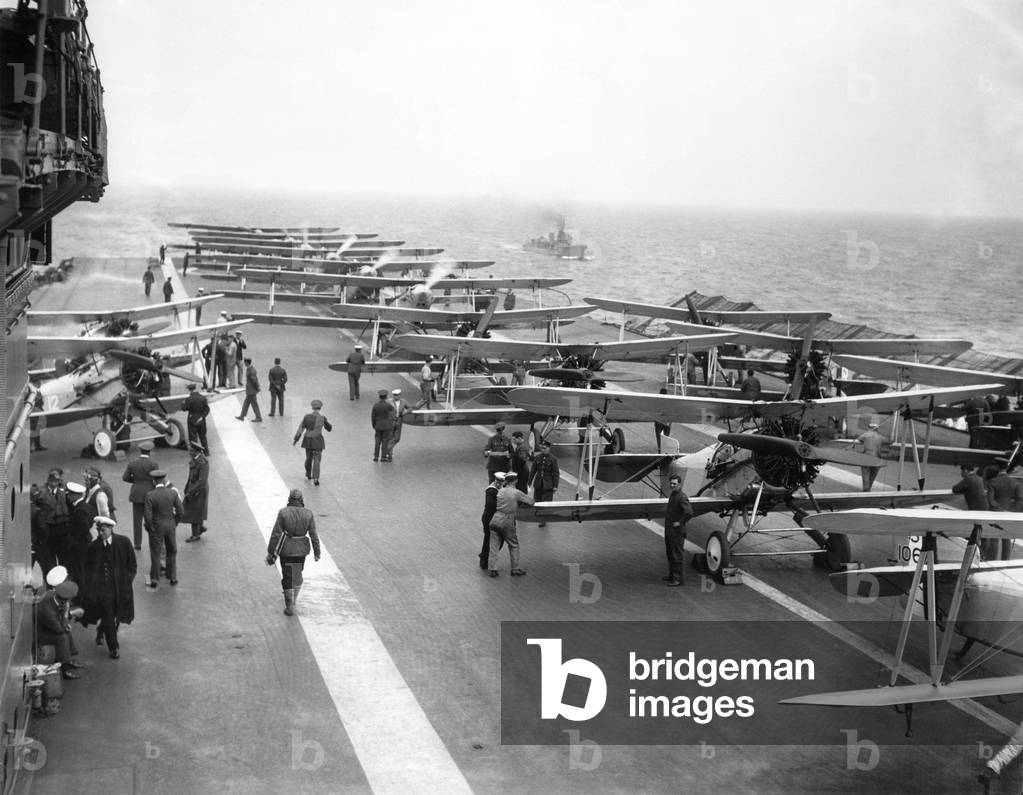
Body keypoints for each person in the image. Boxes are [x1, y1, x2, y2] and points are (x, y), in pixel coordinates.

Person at [80, 516, 136, 659]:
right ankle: (114, 647)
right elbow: (87, 568)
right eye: (98, 530)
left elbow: (132, 565)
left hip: (120, 588)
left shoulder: (123, 542)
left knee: (116, 615)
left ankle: (101, 630)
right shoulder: (93, 546)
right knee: (108, 615)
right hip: (102, 591)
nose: (100, 533)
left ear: (111, 528)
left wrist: (127, 580)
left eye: (103, 530)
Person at [266, 489, 321, 616]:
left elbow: (276, 534)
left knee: (287, 576)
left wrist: (270, 551)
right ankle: (293, 600)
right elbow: (313, 535)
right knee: (297, 574)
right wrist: (317, 552)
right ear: (301, 500)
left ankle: (289, 604)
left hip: (285, 549)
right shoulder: (308, 514)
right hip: (301, 550)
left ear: (289, 499)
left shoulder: (283, 512)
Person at [35, 580, 86, 679]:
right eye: (70, 600)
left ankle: (67, 659)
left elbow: (59, 619)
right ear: (66, 600)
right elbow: (59, 630)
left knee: (66, 630)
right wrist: (68, 613)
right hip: (41, 634)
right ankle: (64, 668)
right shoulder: (47, 611)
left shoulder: (54, 598)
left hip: (49, 626)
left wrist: (66, 620)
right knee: (62, 637)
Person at [487, 473, 534, 577]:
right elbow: (531, 501)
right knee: (513, 545)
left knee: (494, 546)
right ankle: (515, 569)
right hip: (507, 520)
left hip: (495, 519)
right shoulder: (516, 492)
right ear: (515, 481)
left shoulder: (500, 491)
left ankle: (493, 569)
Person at [143, 470, 183, 589]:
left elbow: (148, 515)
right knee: (172, 550)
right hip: (170, 525)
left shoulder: (150, 495)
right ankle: (172, 577)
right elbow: (180, 511)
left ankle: (155, 579)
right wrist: (174, 523)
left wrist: (150, 527)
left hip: (157, 527)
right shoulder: (172, 493)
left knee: (156, 552)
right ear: (164, 480)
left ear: (154, 481)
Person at [953, 463, 998, 559]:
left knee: (975, 532)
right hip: (984, 508)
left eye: (962, 470)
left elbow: (955, 489)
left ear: (966, 470)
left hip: (975, 510)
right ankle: (984, 554)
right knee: (982, 532)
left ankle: (978, 554)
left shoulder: (969, 479)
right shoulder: (979, 478)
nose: (961, 473)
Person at [34, 468, 73, 575]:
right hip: (49, 533)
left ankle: (63, 580)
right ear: (48, 480)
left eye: (56, 480)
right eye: (52, 480)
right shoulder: (40, 494)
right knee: (50, 562)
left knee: (64, 560)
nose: (54, 482)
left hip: (62, 532)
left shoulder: (63, 493)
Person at [122, 440, 159, 551]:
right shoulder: (153, 464)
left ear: (140, 450)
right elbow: (157, 479)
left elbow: (125, 477)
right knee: (151, 519)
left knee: (137, 520)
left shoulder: (132, 463)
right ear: (150, 451)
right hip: (150, 494)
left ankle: (137, 543)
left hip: (136, 494)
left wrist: (136, 481)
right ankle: (153, 541)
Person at [986, 458, 1022, 560]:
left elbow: (990, 500)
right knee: (1007, 538)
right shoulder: (1014, 482)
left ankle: (992, 560)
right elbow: (1020, 499)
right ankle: (1005, 561)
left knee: (995, 538)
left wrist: (999, 509)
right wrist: (1012, 510)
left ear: (997, 467)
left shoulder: (993, 481)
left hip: (995, 513)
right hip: (1009, 514)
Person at [663, 474, 693, 586]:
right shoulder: (674, 494)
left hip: (677, 532)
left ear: (679, 484)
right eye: (671, 483)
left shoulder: (681, 497)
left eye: (674, 484)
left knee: (677, 555)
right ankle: (672, 576)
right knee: (670, 553)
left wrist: (680, 522)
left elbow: (689, 513)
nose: (672, 485)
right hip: (670, 530)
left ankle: (678, 579)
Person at [293, 400, 332, 485]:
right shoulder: (322, 418)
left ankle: (308, 474)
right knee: (317, 460)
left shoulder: (306, 417)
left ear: (312, 408)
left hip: (308, 441)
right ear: (320, 408)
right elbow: (329, 428)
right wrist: (326, 423)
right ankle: (316, 478)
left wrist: (296, 439)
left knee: (308, 458)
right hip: (318, 441)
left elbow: (301, 428)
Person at [528, 439, 560, 527]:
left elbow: (556, 473)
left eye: (545, 448)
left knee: (546, 503)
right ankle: (539, 515)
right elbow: (533, 470)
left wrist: (555, 486)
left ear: (549, 448)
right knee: (537, 500)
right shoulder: (538, 457)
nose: (543, 450)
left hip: (548, 484)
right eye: (542, 448)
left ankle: (543, 520)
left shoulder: (553, 459)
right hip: (538, 483)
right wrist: (529, 483)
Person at [183, 442, 210, 542]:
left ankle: (195, 534)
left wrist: (191, 491)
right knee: (198, 509)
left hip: (198, 490)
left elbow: (201, 481)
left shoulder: (202, 462)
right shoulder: (197, 460)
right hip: (194, 487)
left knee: (194, 511)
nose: (189, 452)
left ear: (196, 451)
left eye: (191, 450)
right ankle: (200, 527)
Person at [479, 472, 504, 569]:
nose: (499, 484)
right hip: (489, 518)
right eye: (498, 482)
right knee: (488, 539)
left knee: (499, 539)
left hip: (497, 518)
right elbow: (490, 503)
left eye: (500, 482)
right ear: (495, 481)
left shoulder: (501, 489)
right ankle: (484, 559)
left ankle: (488, 557)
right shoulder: (491, 490)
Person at [855, 422, 885, 492]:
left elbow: (859, 438)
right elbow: (889, 441)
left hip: (866, 456)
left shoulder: (865, 435)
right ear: (877, 429)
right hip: (877, 457)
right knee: (873, 474)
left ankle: (866, 488)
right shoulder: (880, 437)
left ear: (869, 428)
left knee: (865, 473)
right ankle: (869, 488)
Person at [181, 382, 210, 455]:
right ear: (195, 388)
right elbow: (207, 409)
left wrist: (183, 403)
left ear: (189, 390)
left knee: (193, 438)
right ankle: (206, 452)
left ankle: (196, 453)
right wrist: (202, 417)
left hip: (192, 419)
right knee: (203, 437)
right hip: (201, 419)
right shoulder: (202, 398)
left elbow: (184, 408)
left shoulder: (188, 399)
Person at [371, 389, 397, 462]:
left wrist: (374, 425)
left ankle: (376, 456)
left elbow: (373, 417)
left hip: (378, 426)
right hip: (386, 426)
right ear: (386, 397)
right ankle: (383, 457)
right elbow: (393, 414)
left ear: (379, 397)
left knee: (377, 442)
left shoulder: (376, 406)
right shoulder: (389, 406)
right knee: (385, 442)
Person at [386, 388, 411, 461]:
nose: (395, 396)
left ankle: (387, 449)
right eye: (394, 395)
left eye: (397, 395)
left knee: (397, 438)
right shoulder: (388, 402)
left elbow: (410, 407)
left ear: (400, 395)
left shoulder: (403, 401)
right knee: (390, 437)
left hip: (399, 421)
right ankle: (389, 455)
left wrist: (405, 412)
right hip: (391, 421)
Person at [236, 357, 263, 422]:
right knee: (246, 403)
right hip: (249, 390)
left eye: (245, 363)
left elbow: (254, 380)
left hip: (251, 391)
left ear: (247, 363)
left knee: (254, 404)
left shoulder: (251, 370)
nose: (244, 364)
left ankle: (258, 417)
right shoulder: (250, 369)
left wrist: (257, 388)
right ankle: (242, 416)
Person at [654, 387, 672, 451]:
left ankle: (660, 448)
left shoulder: (656, 401)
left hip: (659, 421)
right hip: (667, 421)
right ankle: (665, 448)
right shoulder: (670, 401)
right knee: (666, 436)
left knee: (658, 437)